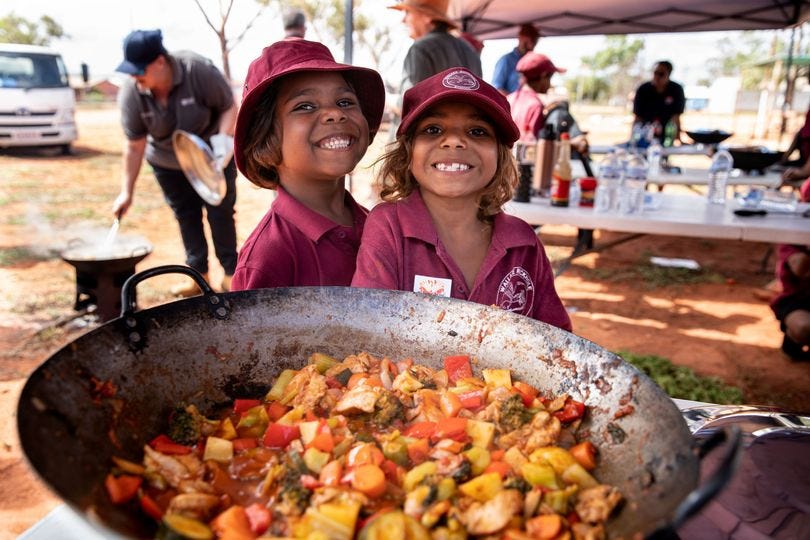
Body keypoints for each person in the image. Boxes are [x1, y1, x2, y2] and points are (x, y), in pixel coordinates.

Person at [352, 67, 572, 330]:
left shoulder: (524, 243)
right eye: (433, 129)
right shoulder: (389, 226)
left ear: (499, 155)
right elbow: (368, 329)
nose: (454, 141)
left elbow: (556, 341)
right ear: (408, 154)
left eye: (477, 131)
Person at [229, 39, 384, 290]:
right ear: (267, 139)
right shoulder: (268, 258)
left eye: (345, 101)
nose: (335, 113)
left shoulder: (374, 225)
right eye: (305, 106)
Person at [114, 29, 238, 296]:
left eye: (139, 70)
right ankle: (198, 278)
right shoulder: (132, 94)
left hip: (212, 156)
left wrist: (223, 141)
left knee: (221, 214)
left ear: (160, 62)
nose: (134, 78)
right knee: (186, 215)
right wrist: (127, 192)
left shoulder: (197, 70)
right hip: (168, 163)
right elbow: (135, 147)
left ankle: (230, 277)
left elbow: (229, 106)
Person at [388, 0, 481, 139]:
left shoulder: (421, 48)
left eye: (408, 12)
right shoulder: (470, 50)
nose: (403, 20)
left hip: (423, 145)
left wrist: (386, 99)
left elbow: (409, 106)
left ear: (426, 16)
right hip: (459, 141)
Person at [507, 52, 589, 156]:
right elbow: (536, 148)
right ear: (543, 76)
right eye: (549, 78)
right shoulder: (535, 105)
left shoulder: (509, 99)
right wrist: (573, 144)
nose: (550, 84)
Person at [770, 179, 810, 361]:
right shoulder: (794, 230)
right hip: (798, 299)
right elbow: (800, 268)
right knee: (804, 326)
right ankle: (794, 340)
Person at [632, 60, 685, 145]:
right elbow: (637, 117)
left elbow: (676, 117)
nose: (657, 77)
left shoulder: (676, 90)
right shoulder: (643, 89)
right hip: (645, 134)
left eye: (661, 74)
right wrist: (633, 138)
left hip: (666, 136)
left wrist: (677, 137)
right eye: (655, 73)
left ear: (669, 74)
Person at [491, 23, 540, 96]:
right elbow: (496, 88)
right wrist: (515, 102)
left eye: (533, 42)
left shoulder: (534, 62)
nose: (530, 46)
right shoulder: (506, 60)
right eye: (526, 43)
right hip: (511, 106)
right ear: (520, 38)